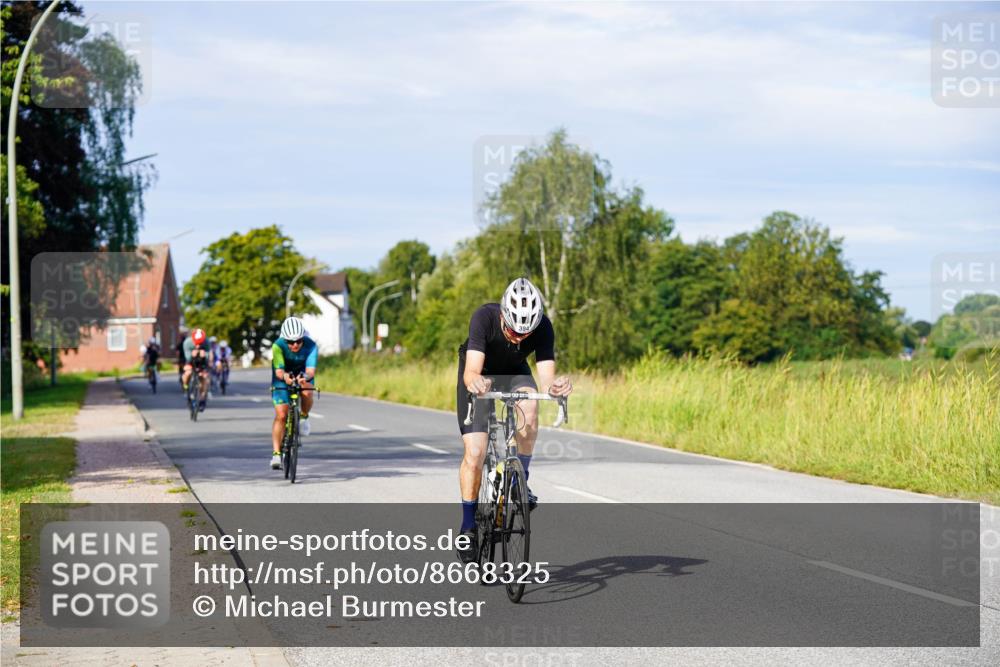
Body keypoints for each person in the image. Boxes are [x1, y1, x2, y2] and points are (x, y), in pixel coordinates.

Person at [455, 278, 572, 563]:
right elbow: (471, 371)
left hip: (515, 372)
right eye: (512, 331)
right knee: (475, 453)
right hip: (479, 373)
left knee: (531, 406)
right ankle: (468, 526)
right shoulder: (484, 317)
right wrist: (476, 383)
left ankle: (521, 483)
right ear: (503, 316)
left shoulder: (543, 326)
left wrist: (554, 388)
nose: (519, 338)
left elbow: (545, 377)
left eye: (525, 333)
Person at [270, 316, 318, 470]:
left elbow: (311, 371)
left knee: (308, 390)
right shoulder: (278, 346)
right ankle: (276, 454)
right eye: (291, 342)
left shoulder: (311, 345)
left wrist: (304, 378)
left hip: (302, 374)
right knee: (282, 415)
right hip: (282, 376)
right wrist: (286, 378)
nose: (295, 344)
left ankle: (303, 416)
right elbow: (279, 371)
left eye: (298, 341)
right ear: (285, 340)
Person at [182, 328, 211, 411]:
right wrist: (192, 355)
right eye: (196, 343)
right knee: (188, 372)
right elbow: (187, 358)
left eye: (200, 344)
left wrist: (204, 355)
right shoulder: (187, 343)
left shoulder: (206, 342)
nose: (198, 346)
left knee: (205, 377)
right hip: (191, 362)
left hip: (202, 363)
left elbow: (208, 357)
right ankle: (186, 387)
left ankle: (202, 399)